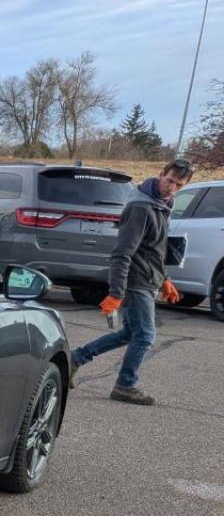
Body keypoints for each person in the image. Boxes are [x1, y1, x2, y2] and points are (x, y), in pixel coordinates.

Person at [70, 158, 194, 405]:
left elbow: (153, 250)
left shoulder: (161, 205)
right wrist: (116, 292)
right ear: (160, 175)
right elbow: (122, 253)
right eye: (169, 181)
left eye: (178, 185)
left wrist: (165, 280)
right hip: (136, 281)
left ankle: (76, 358)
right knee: (145, 335)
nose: (172, 188)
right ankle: (125, 385)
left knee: (130, 333)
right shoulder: (141, 207)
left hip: (148, 279)